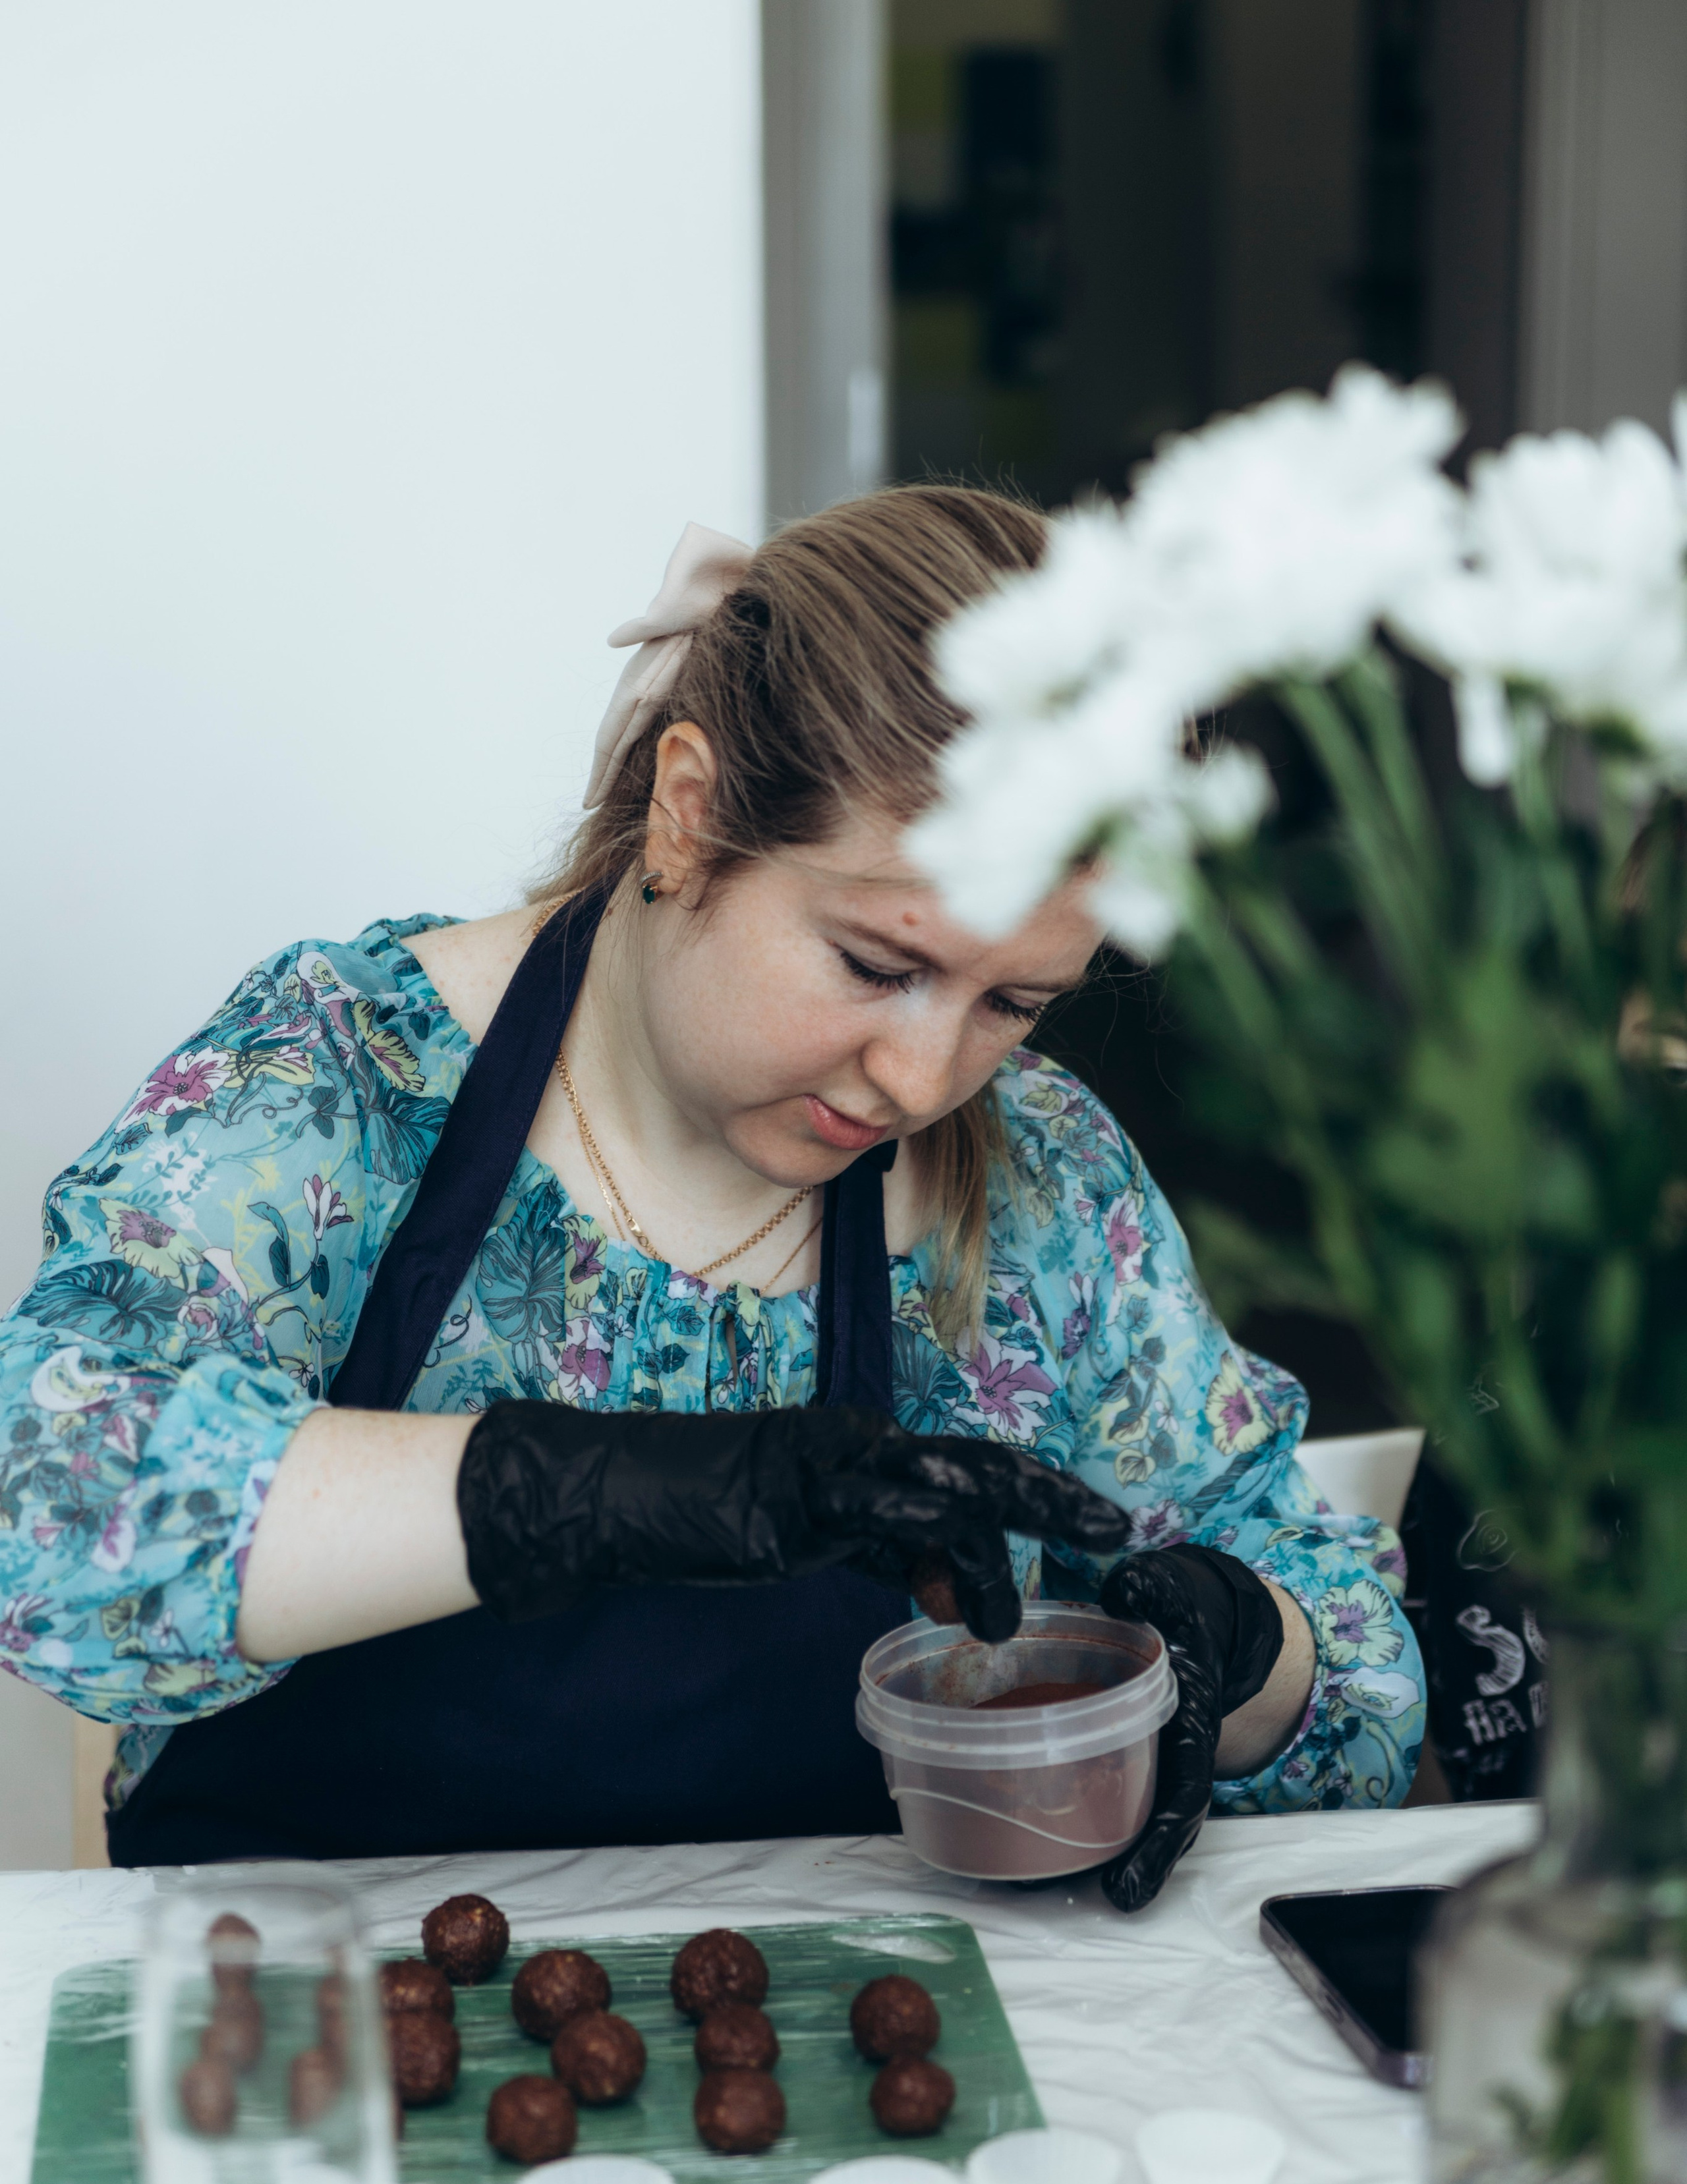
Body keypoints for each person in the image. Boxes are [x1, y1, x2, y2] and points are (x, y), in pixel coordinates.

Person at [0, 488, 1423, 1897]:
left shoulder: (1045, 1183)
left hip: (844, 2026)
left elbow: (1358, 1679)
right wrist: (580, 1495)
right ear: (690, 813)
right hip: (312, 2019)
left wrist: (1237, 1644)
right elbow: (44, 1501)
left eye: (1014, 1002)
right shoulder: (342, 1082)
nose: (923, 1076)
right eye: (878, 964)